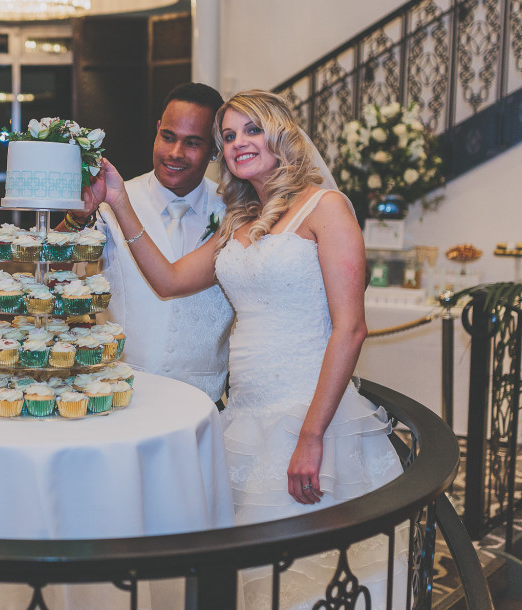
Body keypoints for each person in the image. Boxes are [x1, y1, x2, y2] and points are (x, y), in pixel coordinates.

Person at [95, 89, 405, 608]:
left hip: (309, 415)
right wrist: (120, 203)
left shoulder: (325, 209)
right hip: (245, 416)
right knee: (252, 581)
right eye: (230, 135)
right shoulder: (239, 221)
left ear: (282, 133)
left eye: (252, 130)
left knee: (313, 576)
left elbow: (350, 329)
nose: (239, 142)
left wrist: (311, 435)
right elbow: (169, 280)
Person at [63, 82, 235, 404]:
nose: (175, 153)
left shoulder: (234, 212)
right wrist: (78, 216)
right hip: (120, 396)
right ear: (157, 131)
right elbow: (52, 269)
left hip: (203, 403)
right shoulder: (113, 199)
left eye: (192, 143)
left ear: (215, 149)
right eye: (168, 137)